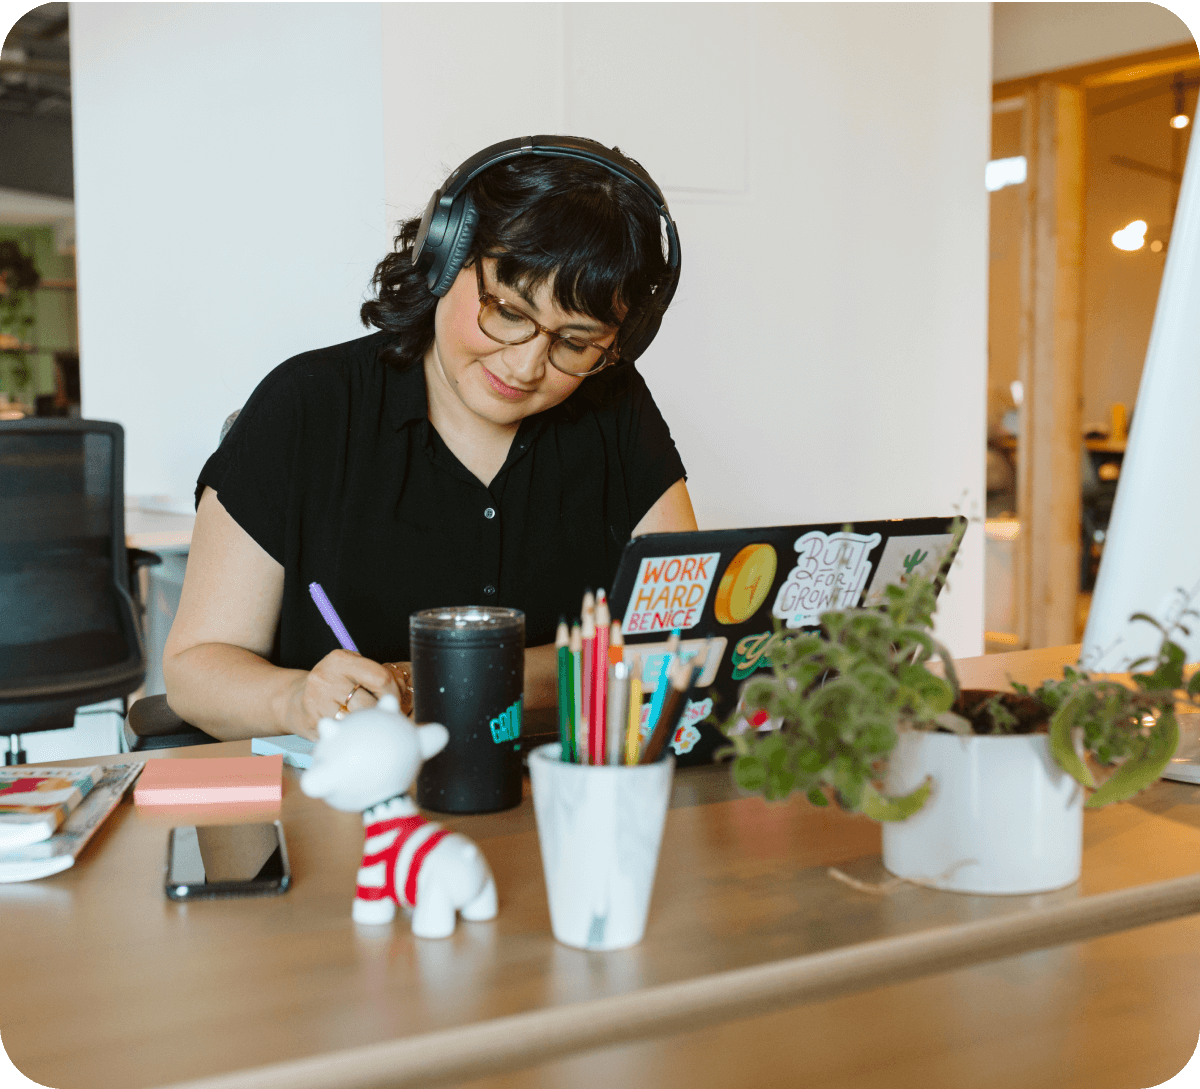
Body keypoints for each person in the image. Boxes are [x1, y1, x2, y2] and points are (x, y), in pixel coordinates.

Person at [163, 137, 697, 741]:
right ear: (444, 256)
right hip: (349, 801)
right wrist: (294, 701)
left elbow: (675, 640)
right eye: (511, 312)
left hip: (552, 793)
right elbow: (196, 667)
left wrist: (426, 679)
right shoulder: (306, 406)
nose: (525, 367)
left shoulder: (615, 405)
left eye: (574, 343)